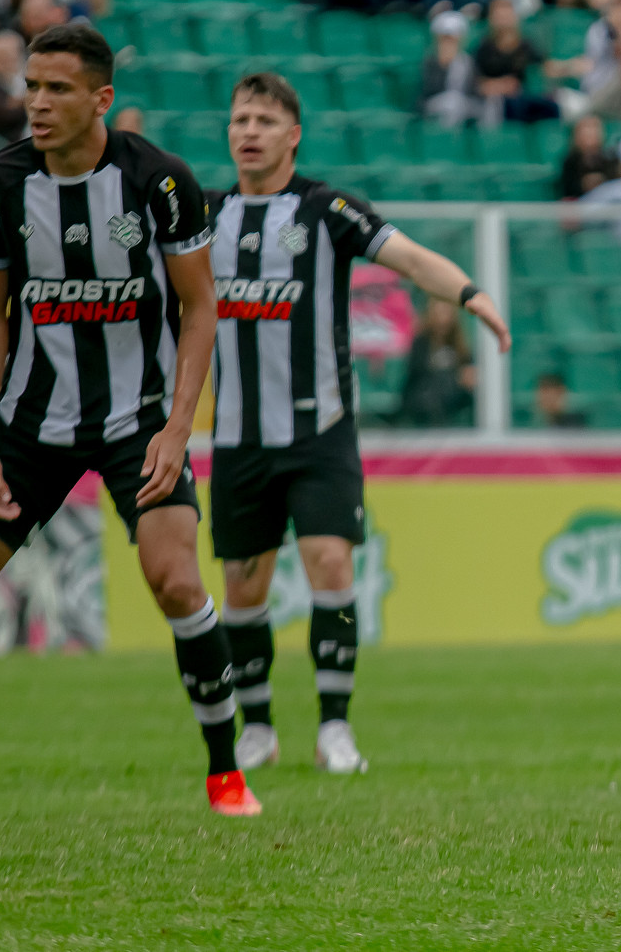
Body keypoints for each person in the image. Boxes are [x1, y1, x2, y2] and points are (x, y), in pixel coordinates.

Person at [0, 21, 257, 818]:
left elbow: (201, 309)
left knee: (173, 578)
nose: (36, 103)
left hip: (139, 421)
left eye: (57, 89)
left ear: (102, 98)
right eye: (30, 86)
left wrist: (176, 428)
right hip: (30, 422)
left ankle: (226, 773)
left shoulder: (159, 182)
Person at [210, 70, 509, 777]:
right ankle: (256, 727)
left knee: (332, 565)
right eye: (239, 120)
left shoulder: (326, 208)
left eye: (263, 120)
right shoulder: (203, 214)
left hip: (321, 431)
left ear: (293, 134)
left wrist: (470, 292)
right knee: (243, 584)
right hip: (238, 434)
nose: (248, 132)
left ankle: (335, 726)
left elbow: (405, 257)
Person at [474, 0, 574, 124]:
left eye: (507, 14)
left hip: (523, 96)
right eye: (500, 15)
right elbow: (476, 83)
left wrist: (571, 66)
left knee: (550, 107)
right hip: (495, 101)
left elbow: (544, 67)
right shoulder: (483, 48)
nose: (504, 19)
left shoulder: (526, 45)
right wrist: (500, 85)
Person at [396, 293, 475, 427]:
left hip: (452, 407)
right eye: (439, 312)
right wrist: (454, 377)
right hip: (423, 409)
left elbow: (468, 372)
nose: (443, 319)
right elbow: (416, 376)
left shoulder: (460, 348)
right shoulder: (421, 344)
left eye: (446, 312)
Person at [419, 8, 478, 124]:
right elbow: (429, 91)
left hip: (463, 103)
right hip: (434, 104)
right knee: (452, 103)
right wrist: (444, 66)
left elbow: (474, 90)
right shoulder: (431, 62)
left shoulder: (468, 61)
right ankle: (450, 140)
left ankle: (489, 139)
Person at [558, 113, 617, 198]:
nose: (590, 133)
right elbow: (568, 190)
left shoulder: (609, 157)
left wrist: (601, 180)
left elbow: (614, 181)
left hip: (609, 201)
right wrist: (584, 184)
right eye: (586, 129)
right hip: (583, 203)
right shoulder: (571, 160)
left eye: (594, 128)